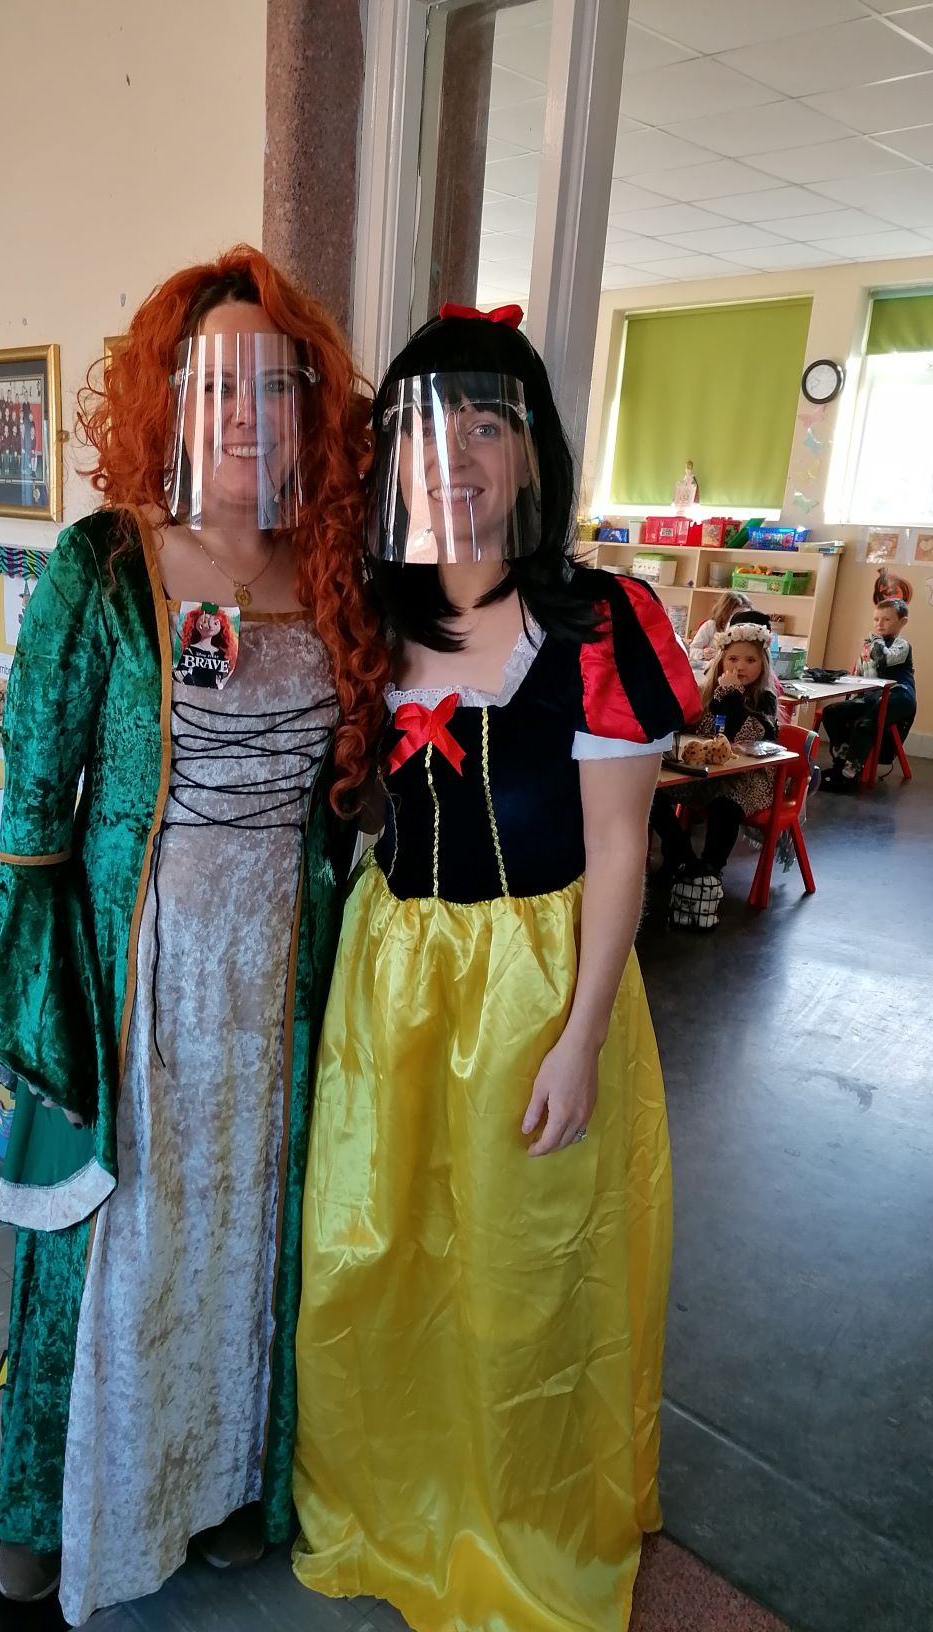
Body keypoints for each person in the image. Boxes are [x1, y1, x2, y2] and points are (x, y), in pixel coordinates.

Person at [0, 245, 387, 1625]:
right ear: (171, 400)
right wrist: (48, 1005)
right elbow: (36, 811)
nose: (246, 413)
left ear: (308, 404)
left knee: (245, 1239)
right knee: (110, 1240)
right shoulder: (105, 564)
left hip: (276, 988)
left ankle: (221, 1485)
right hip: (132, 978)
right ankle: (48, 1498)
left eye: (275, 384)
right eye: (216, 384)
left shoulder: (335, 573)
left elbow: (348, 799)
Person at [291, 306, 700, 1632]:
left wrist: (581, 1037)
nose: (454, 455)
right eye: (426, 428)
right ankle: (394, 1499)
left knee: (526, 1273)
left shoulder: (598, 625)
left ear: (533, 454)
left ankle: (524, 1514)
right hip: (391, 980)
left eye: (486, 424)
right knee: (380, 1249)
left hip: (535, 985)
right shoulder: (367, 616)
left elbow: (621, 848)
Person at [651, 621, 778, 930]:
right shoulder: (707, 692)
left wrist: (731, 694)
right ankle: (682, 857)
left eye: (750, 660)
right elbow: (693, 728)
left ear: (763, 665)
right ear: (721, 661)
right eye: (733, 659)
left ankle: (710, 870)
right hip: (703, 774)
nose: (740, 667)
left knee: (726, 805)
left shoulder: (764, 699)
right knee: (650, 793)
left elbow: (740, 734)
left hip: (746, 778)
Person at [822, 598, 916, 792]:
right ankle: (842, 761)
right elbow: (862, 676)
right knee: (832, 712)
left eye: (886, 619)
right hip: (873, 696)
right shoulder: (870, 645)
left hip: (899, 695)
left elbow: (884, 659)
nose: (879, 624)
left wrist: (876, 642)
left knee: (866, 723)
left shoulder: (902, 645)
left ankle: (849, 775)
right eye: (876, 619)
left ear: (902, 622)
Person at [688, 588, 752, 671]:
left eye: (745, 615)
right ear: (724, 613)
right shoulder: (711, 626)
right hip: (713, 670)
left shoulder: (751, 632)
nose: (741, 621)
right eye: (735, 616)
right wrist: (703, 653)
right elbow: (692, 650)